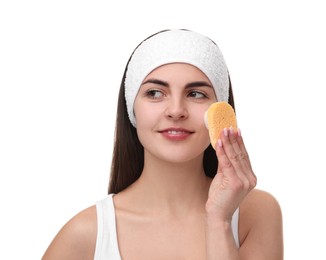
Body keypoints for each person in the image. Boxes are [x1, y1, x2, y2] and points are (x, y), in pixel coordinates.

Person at [42, 29, 283, 260]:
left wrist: (219, 221)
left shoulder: (257, 213)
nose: (176, 111)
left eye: (196, 94)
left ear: (220, 112)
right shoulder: (85, 234)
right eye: (155, 93)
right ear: (132, 110)